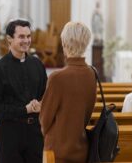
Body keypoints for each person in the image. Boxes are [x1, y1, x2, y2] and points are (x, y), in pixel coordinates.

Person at [0, 19, 47, 163]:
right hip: (9, 133)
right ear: (9, 39)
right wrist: (23, 110)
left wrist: (41, 104)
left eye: (28, 36)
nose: (26, 40)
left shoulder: (37, 64)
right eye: (21, 37)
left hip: (34, 132)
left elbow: (45, 95)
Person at [39, 22, 97, 163]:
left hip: (57, 152)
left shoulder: (57, 77)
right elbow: (87, 113)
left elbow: (44, 121)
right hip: (81, 148)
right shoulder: (92, 74)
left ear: (65, 44)